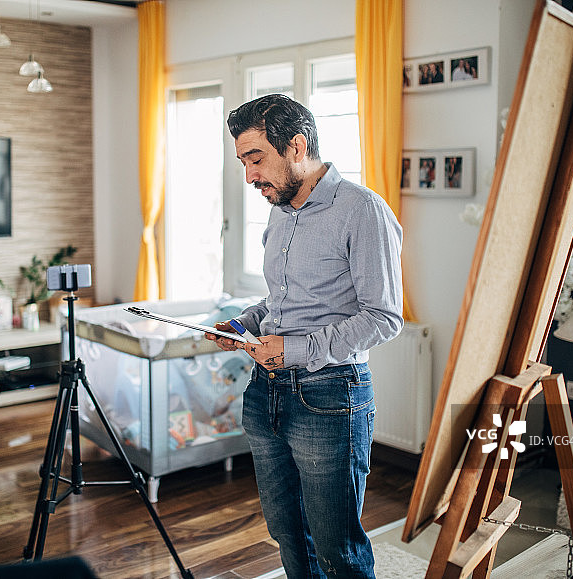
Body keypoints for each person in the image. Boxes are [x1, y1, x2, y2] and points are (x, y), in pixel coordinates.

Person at [207, 94, 404, 578]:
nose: (250, 175)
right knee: (289, 534)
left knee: (338, 548)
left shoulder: (362, 210)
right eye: (244, 162)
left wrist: (293, 348)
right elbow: (281, 304)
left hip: (330, 399)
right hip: (265, 396)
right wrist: (243, 325)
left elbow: (384, 316)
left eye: (256, 159)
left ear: (296, 146)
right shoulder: (278, 211)